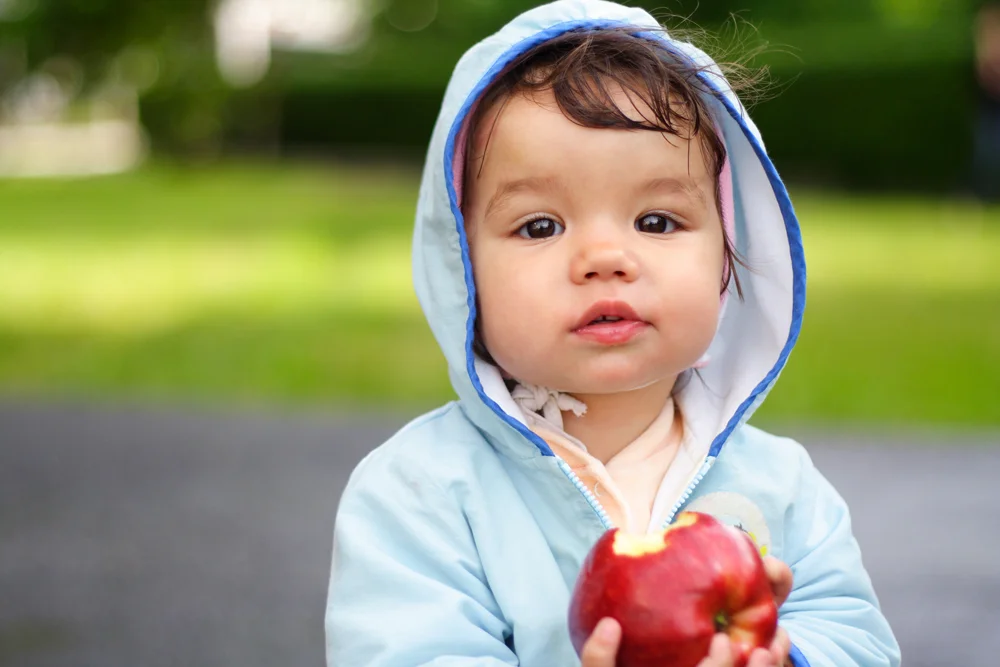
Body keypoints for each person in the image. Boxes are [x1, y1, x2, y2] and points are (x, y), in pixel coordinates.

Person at [325, 1, 900, 666]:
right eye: (539, 225)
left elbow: (858, 639)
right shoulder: (420, 494)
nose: (605, 257)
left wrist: (783, 654)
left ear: (727, 253)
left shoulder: (784, 487)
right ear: (462, 271)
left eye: (656, 221)